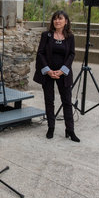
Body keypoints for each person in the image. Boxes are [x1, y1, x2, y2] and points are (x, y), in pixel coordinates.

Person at [33, 10, 80, 142]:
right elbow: (40, 53)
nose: (57, 21)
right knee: (49, 100)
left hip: (63, 73)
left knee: (67, 101)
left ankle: (70, 130)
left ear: (66, 21)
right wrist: (48, 70)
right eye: (55, 19)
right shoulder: (46, 35)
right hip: (48, 73)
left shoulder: (70, 37)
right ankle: (51, 127)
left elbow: (72, 54)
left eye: (60, 19)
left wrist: (62, 70)